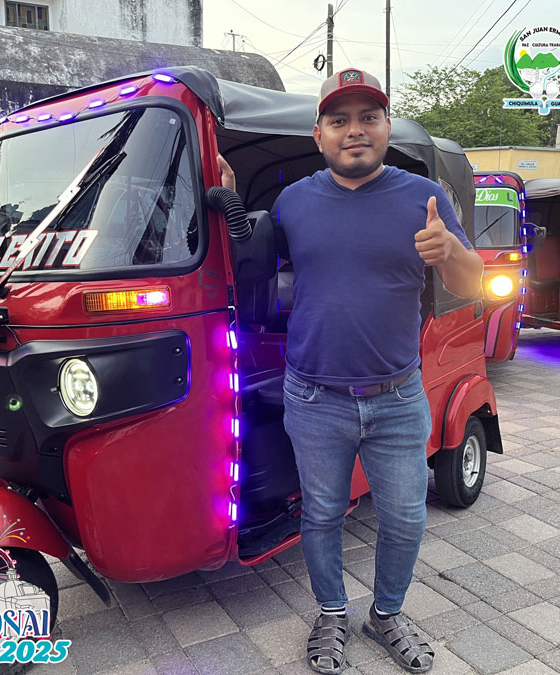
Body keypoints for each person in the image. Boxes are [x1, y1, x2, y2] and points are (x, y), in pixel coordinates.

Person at [218, 68, 482, 675]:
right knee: (322, 514)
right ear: (319, 134)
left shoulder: (424, 197)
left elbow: (472, 285)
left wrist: (451, 252)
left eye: (368, 118)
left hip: (398, 397)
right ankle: (332, 612)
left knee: (406, 516)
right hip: (314, 397)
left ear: (387, 127)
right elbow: (250, 268)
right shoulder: (293, 202)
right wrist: (229, 201)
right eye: (339, 120)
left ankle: (386, 614)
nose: (355, 130)